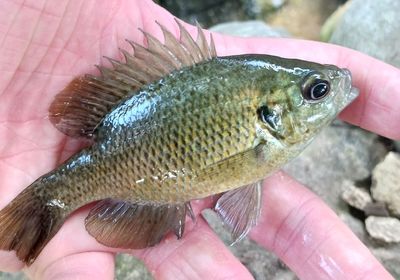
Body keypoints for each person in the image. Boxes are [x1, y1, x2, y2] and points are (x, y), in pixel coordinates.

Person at [0, 0, 398, 279]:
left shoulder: (264, 129)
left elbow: (242, 173)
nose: (334, 89)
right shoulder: (262, 130)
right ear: (271, 114)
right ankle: (49, 202)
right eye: (316, 91)